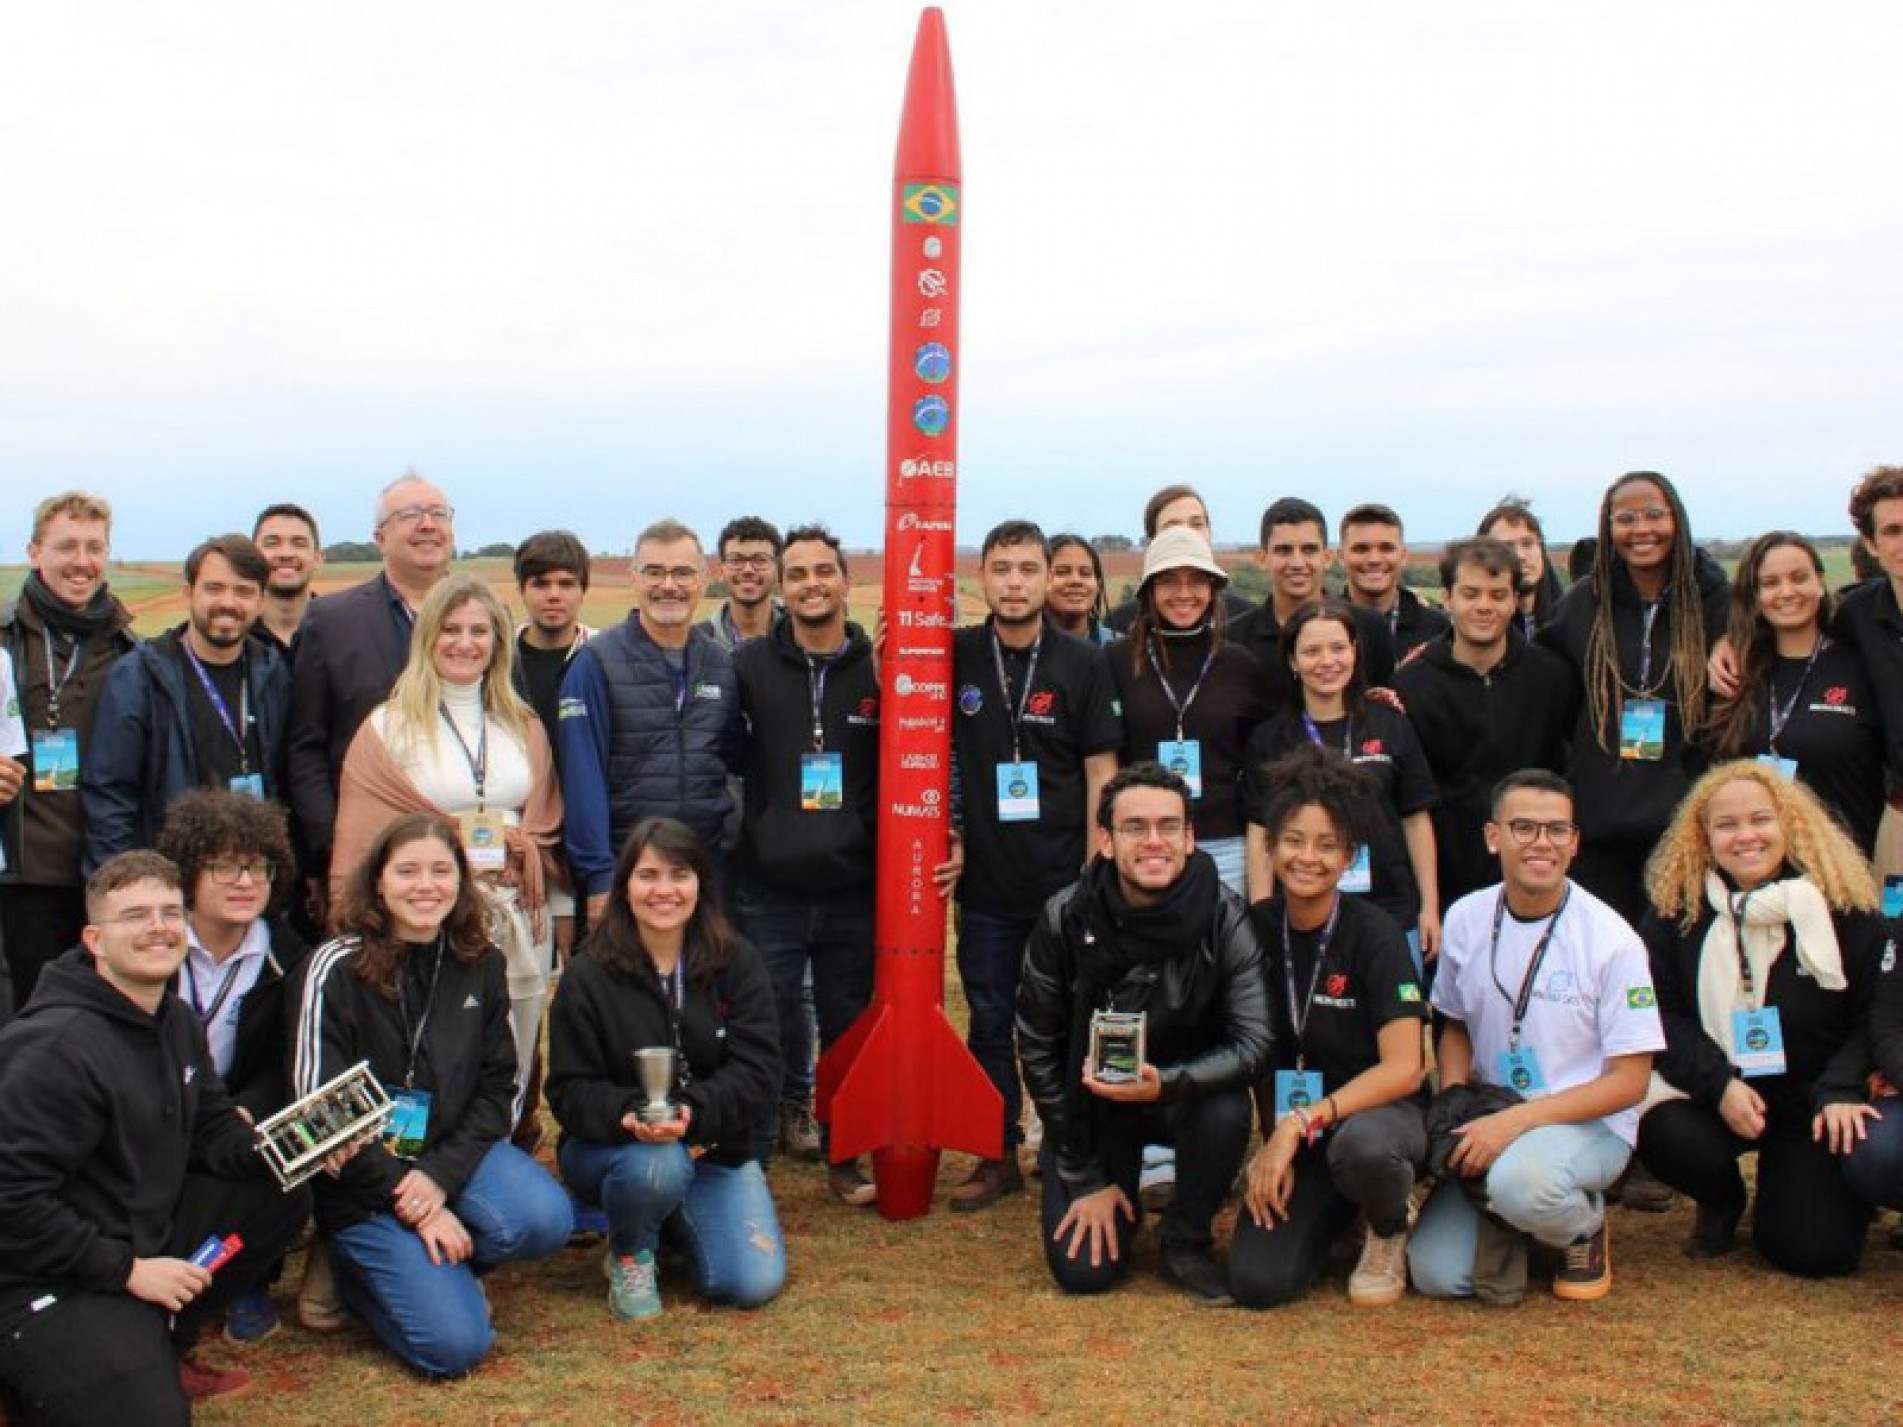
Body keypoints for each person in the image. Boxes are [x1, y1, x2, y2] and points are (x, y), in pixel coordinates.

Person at [0, 851, 311, 1421]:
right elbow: (10, 1203)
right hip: (43, 1276)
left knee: (279, 1186)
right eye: (135, 915)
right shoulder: (53, 1049)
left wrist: (291, 1146)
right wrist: (127, 1272)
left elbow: (214, 1128)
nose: (158, 927)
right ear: (94, 938)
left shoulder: (172, 1019)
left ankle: (158, 1333)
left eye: (170, 911)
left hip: (137, 1240)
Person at [288, 814, 572, 1376]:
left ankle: (432, 1265)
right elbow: (319, 1116)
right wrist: (408, 1197)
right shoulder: (335, 967)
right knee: (455, 1349)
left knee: (544, 1218)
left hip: (446, 1161)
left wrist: (437, 1178)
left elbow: (499, 1088)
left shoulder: (480, 960)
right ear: (378, 881)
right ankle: (354, 1271)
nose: (426, 886)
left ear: (461, 881)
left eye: (442, 871)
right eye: (408, 871)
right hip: (360, 1180)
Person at [1016, 763, 1271, 1303]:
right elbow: (1038, 1048)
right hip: (1094, 1106)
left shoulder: (1226, 917)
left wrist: (1168, 1082)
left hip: (1185, 1095)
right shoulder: (1064, 918)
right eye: (1135, 828)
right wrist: (1084, 1177)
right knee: (1083, 1274)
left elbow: (1252, 1046)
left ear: (1189, 837)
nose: (1154, 841)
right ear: (1106, 841)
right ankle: (1115, 1195)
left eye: (1169, 826)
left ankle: (1185, 1237)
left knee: (1227, 1108)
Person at [1408, 771, 1665, 1303]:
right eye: (1523, 827)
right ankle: (1526, 1220)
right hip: (1491, 1116)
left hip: (1586, 1122)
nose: (1541, 843)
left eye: (1556, 830)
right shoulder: (1465, 917)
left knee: (1520, 1187)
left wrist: (1513, 1124)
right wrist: (1457, 1102)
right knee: (1438, 1275)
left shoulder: (1613, 941)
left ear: (1574, 842)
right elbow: (1452, 1020)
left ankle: (1581, 1226)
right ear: (1493, 837)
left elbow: (1631, 1083)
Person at [331, 574, 565, 1133]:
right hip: (430, 918)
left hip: (516, 914)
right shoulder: (389, 728)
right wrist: (450, 838)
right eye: (451, 630)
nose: (465, 643)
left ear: (498, 641)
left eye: (479, 631)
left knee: (512, 1040)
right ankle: (426, 1152)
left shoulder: (522, 725)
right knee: (439, 1044)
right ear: (427, 637)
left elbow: (547, 824)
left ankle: (502, 1148)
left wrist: (540, 878)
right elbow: (368, 831)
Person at [1637, 763, 1885, 1275]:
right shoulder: (1676, 911)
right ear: (1704, 837)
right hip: (1719, 1090)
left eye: (1760, 819)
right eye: (1727, 825)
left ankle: (1829, 1190)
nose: (1746, 835)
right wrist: (1719, 1083)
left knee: (1815, 1254)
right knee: (1656, 1126)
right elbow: (1659, 1014)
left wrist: (1840, 1088)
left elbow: (1872, 1018)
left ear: (1789, 824)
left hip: (1810, 1098)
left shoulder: (1842, 909)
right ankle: (1722, 1200)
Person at [548, 818, 786, 1320]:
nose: (664, 891)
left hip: (714, 1150)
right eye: (648, 876)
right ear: (625, 887)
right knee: (658, 1165)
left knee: (749, 1281)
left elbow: (760, 1071)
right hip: (623, 1153)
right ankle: (632, 1252)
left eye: (678, 875)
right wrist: (628, 1116)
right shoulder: (588, 974)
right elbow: (568, 1089)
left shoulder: (736, 963)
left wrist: (693, 1113)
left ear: (701, 884)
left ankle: (670, 1226)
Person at [951, 520, 1123, 1211]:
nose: (1015, 581)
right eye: (1002, 568)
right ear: (983, 577)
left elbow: (1100, 773)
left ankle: (1065, 1148)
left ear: (1049, 576)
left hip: (1063, 885)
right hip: (987, 887)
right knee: (990, 1019)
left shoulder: (1082, 661)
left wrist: (1093, 880)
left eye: (1028, 568)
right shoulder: (958, 654)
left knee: (1064, 1021)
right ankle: (993, 1152)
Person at [1229, 744, 1429, 1310]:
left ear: (1350, 856)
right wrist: (1276, 1143)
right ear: (1269, 847)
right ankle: (1338, 1215)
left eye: (1326, 845)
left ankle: (1388, 1223)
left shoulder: (1376, 934)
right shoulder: (1253, 931)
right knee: (1257, 1282)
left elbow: (1406, 1068)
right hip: (1305, 1139)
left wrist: (1297, 1125)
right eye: (1292, 841)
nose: (1307, 858)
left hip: (1375, 1125)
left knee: (1364, 1149)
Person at [731, 527, 881, 1192]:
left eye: (824, 570)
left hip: (853, 885)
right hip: (771, 887)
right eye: (797, 574)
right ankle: (752, 1157)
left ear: (846, 580)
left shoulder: (878, 667)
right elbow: (729, 758)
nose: (811, 583)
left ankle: (842, 1152)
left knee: (848, 1022)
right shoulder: (748, 666)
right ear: (779, 587)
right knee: (767, 1015)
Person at [1536, 471, 1729, 928]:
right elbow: (1540, 676)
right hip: (1600, 817)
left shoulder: (1715, 601)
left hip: (1684, 821)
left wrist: (1734, 640)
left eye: (1654, 515)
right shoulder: (1586, 601)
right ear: (1608, 530)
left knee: (1671, 958)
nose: (1641, 529)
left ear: (1677, 520)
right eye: (1625, 518)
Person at [153, 788, 310, 1342]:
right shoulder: (153, 943)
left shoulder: (290, 958)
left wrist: (247, 1110)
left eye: (257, 867)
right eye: (223, 867)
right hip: (155, 1116)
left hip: (235, 1120)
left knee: (281, 1183)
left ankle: (239, 1281)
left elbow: (287, 1060)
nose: (245, 882)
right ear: (188, 873)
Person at [560, 518, 745, 926]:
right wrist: (599, 879)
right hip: (628, 874)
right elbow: (582, 777)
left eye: (682, 572)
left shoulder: (719, 664)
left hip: (705, 873)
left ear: (704, 579)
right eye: (654, 572)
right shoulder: (595, 664)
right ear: (633, 578)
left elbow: (731, 758)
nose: (669, 585)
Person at [286, 472, 457, 902]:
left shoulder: (484, 620)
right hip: (366, 858)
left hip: (463, 858)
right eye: (411, 515)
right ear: (380, 538)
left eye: (438, 514)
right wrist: (333, 845)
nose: (427, 525)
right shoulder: (330, 621)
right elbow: (304, 745)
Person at [1244, 598, 1440, 969]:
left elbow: (1415, 818)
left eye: (1338, 648)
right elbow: (1260, 831)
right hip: (1301, 913)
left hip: (1391, 910)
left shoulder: (1390, 723)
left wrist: (1429, 906)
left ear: (1355, 652)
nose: (1327, 662)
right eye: (1312, 651)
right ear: (1292, 661)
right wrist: (1262, 911)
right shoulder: (1269, 739)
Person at [1, 492, 139, 1011]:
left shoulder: (131, 652)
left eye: (94, 547)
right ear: (35, 552)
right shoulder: (1, 638)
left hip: (99, 873)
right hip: (17, 877)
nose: (81, 562)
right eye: (66, 547)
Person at [82, 534, 290, 873]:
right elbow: (110, 797)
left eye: (244, 591)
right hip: (168, 881)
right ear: (188, 593)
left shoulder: (273, 672)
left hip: (249, 879)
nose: (228, 602)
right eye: (214, 588)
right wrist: (117, 887)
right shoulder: (139, 677)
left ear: (261, 601)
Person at [1394, 538, 1573, 909]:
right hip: (1446, 882)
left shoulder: (1552, 676)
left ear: (1514, 601)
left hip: (1540, 874)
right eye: (1471, 593)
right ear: (1447, 598)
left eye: (1497, 595)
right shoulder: (1411, 685)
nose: (1484, 606)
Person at [1106, 526, 1265, 892]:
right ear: (1149, 592)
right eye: (1168, 582)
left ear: (1212, 589)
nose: (1183, 593)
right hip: (1143, 842)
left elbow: (1259, 761)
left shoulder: (1241, 664)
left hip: (1225, 845)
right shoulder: (1115, 661)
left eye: (1196, 581)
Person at [1705, 532, 1883, 855]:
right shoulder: (1734, 671)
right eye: (1770, 583)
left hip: (1847, 869)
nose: (1786, 592)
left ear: (1820, 582)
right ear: (1755, 595)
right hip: (1757, 871)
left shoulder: (1863, 664)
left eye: (1798, 578)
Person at [1232, 498, 1394, 714]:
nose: (1297, 563)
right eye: (1283, 550)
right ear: (1262, 559)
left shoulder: (1370, 628)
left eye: (1309, 550)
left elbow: (1383, 713)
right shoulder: (1234, 638)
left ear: (1327, 557)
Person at [1103, 485, 1255, 632]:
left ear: (1210, 532)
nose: (1186, 533)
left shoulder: (1246, 619)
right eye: (1172, 526)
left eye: (1196, 524)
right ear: (1152, 540)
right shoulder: (1119, 624)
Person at [510, 529, 597, 748]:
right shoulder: (497, 657)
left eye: (566, 584)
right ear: (521, 589)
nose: (554, 595)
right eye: (540, 584)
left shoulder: (605, 657)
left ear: (582, 590)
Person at [1338, 502, 1450, 661]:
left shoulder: (1436, 627)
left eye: (1386, 548)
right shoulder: (1319, 624)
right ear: (1341, 557)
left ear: (1403, 556)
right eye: (1361, 549)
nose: (1374, 559)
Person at [1477, 496, 1565, 639]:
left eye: (1528, 544)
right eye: (1506, 547)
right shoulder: (1469, 636)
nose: (1520, 556)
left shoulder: (1574, 623)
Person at [696, 516, 782, 651]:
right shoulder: (695, 645)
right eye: (736, 560)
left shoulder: (801, 640)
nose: (748, 570)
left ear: (777, 568)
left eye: (759, 560)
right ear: (722, 568)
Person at [251, 503, 324, 653]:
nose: (286, 553)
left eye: (299, 543)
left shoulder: (344, 633)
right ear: (253, 555)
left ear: (318, 558)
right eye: (272, 543)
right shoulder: (235, 638)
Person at [1044, 533, 1115, 645]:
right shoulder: (1016, 650)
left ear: (1099, 585)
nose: (1076, 581)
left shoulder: (1122, 653)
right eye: (1062, 572)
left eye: (1085, 573)